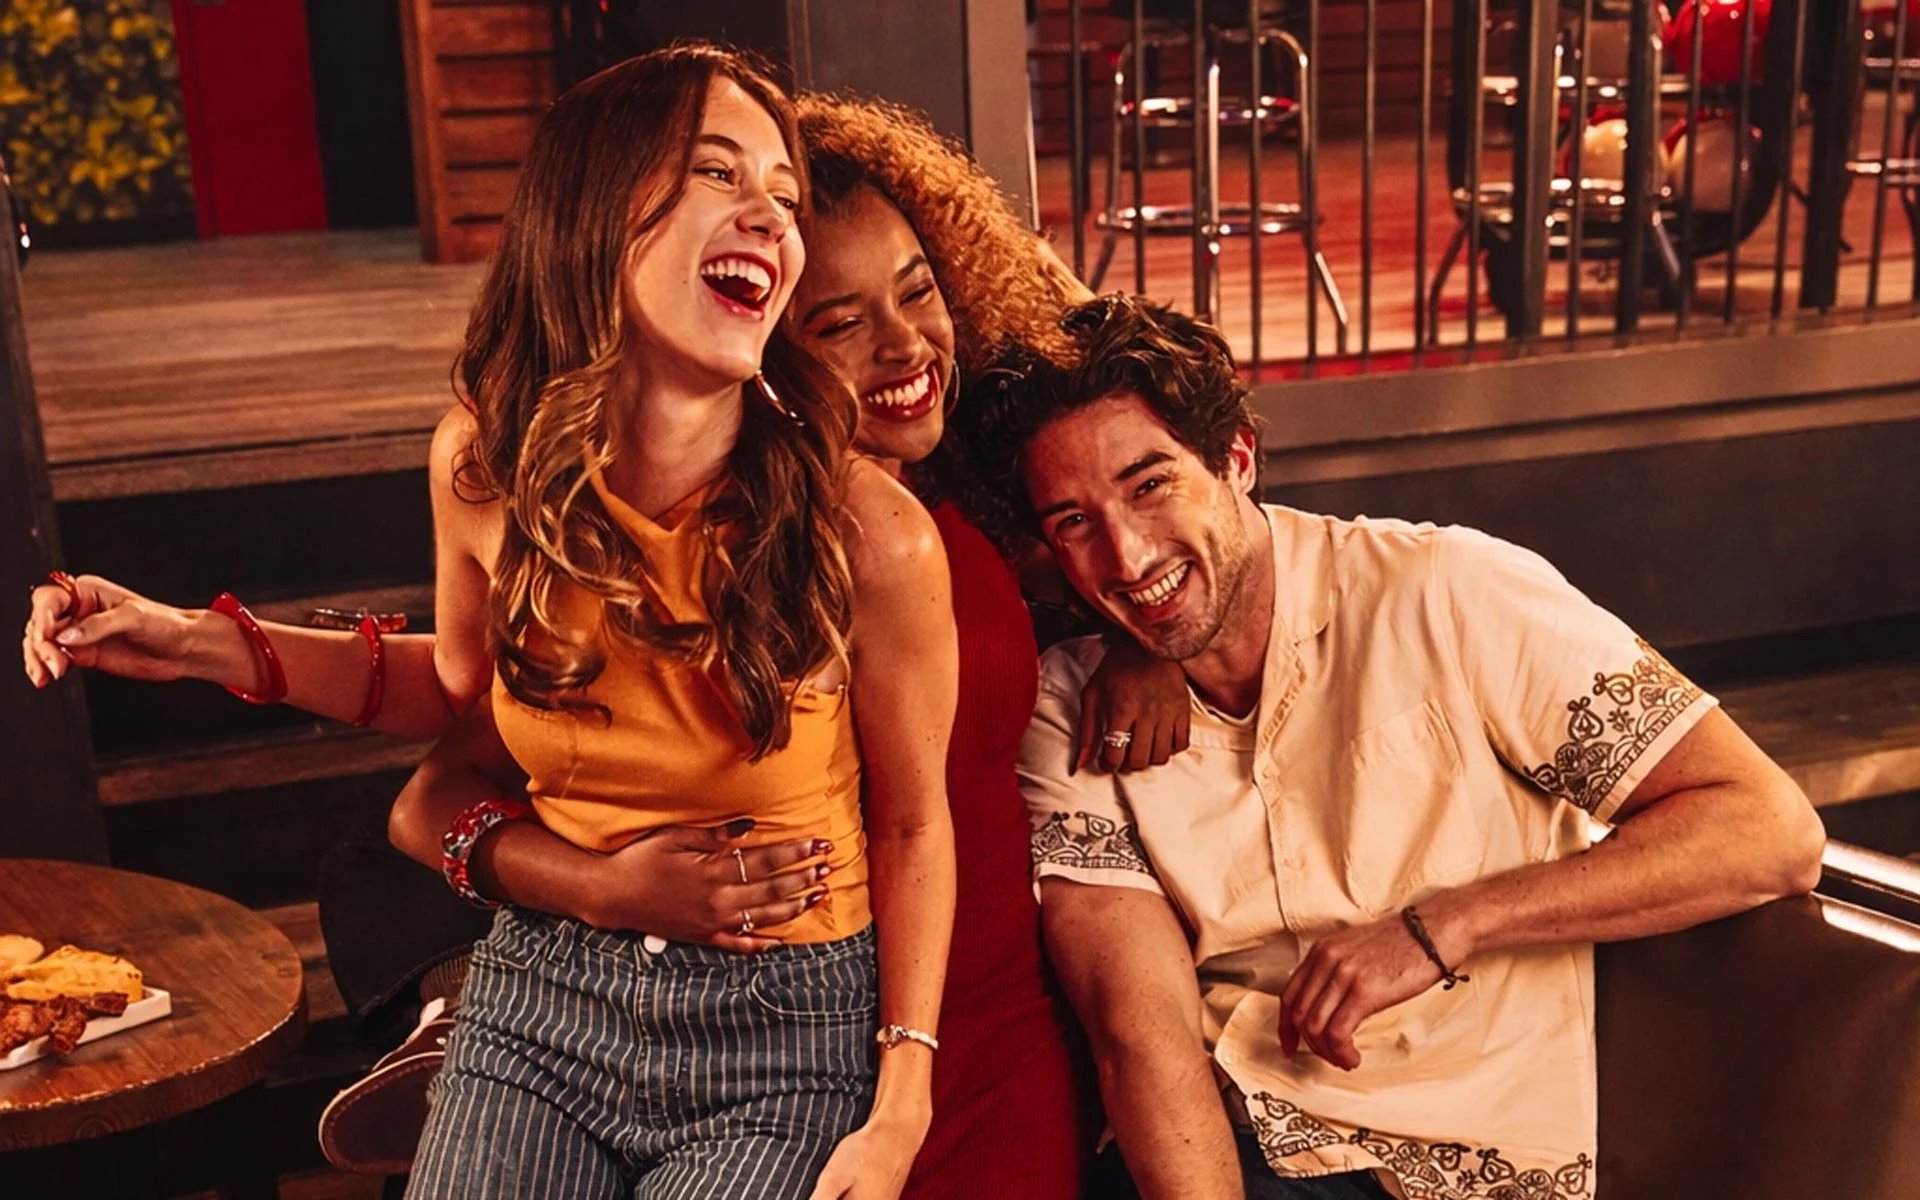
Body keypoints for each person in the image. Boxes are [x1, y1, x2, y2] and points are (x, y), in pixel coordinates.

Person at [33, 46, 960, 1200]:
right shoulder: (482, 463)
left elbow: (917, 827)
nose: (770, 218)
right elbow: (465, 689)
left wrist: (902, 1105)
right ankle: (439, 1018)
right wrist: (193, 641)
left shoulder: (871, 531)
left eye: (784, 196)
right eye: (720, 174)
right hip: (542, 992)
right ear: (591, 209)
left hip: (779, 1028)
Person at [947, 294, 1830, 1200]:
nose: (1127, 558)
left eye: (1151, 484)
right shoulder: (1069, 704)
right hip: (1221, 1141)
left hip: (1467, 1157)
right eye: (1075, 522)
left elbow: (1768, 829)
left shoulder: (1452, 596)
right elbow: (1140, 1028)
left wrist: (1448, 923)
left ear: (1237, 459)